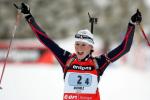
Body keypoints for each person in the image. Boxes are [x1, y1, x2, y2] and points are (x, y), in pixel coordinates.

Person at [14, 3, 142, 100]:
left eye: (84, 45)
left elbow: (124, 48)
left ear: (91, 48)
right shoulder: (67, 59)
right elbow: (46, 40)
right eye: (77, 44)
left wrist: (131, 24)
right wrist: (29, 17)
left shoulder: (99, 62)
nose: (79, 48)